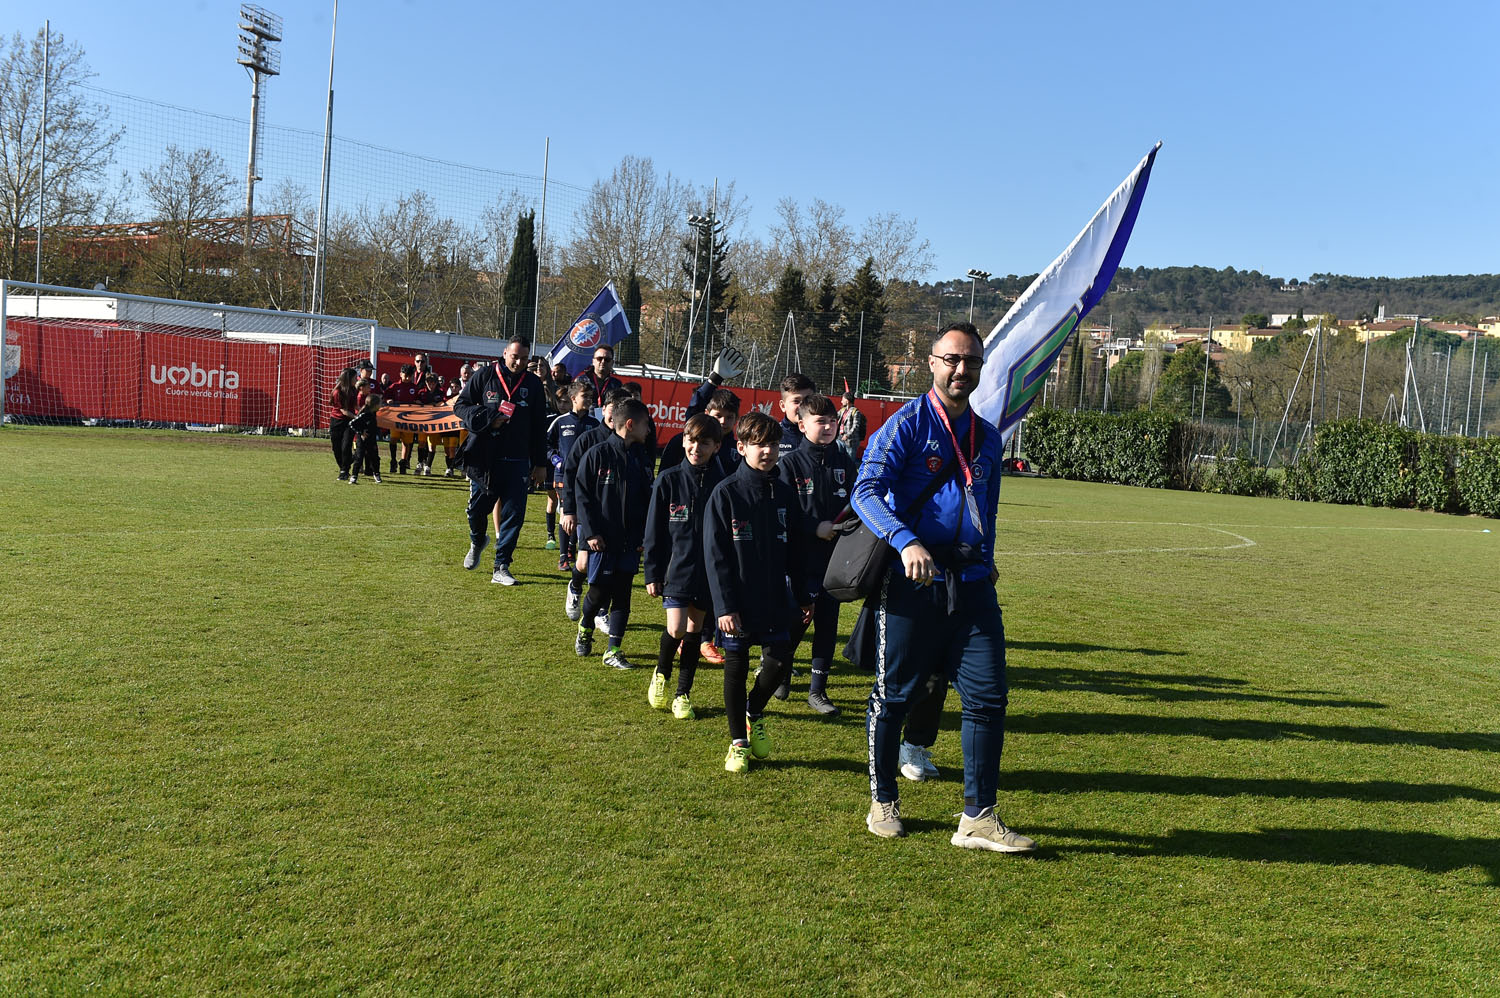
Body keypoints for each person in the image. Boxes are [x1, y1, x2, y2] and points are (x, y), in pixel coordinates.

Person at [850, 321, 1034, 853]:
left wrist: (987, 558)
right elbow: (866, 490)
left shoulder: (988, 437)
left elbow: (987, 507)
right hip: (913, 582)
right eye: (951, 359)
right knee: (894, 695)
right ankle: (883, 800)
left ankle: (978, 817)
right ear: (931, 363)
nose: (961, 369)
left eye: (971, 361)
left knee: (988, 696)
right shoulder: (906, 425)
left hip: (971, 584)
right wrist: (905, 541)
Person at [704, 410, 810, 774]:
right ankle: (738, 743)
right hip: (737, 602)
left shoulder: (784, 493)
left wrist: (804, 595)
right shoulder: (725, 493)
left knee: (778, 663)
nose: (768, 451)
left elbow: (797, 550)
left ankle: (754, 710)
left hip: (775, 599)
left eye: (774, 444)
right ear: (741, 447)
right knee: (736, 667)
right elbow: (716, 557)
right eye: (759, 444)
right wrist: (724, 607)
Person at [778, 393, 858, 715]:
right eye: (820, 421)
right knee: (798, 620)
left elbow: (857, 501)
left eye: (832, 421)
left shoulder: (844, 462)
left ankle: (818, 691)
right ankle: (781, 669)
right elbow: (784, 511)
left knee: (827, 623)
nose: (828, 427)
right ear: (802, 425)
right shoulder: (790, 464)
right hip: (801, 560)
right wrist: (815, 528)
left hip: (834, 561)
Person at [642, 413, 724, 720]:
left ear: (716, 446)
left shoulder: (722, 483)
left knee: (694, 632)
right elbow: (654, 532)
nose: (696, 448)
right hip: (675, 570)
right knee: (675, 628)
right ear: (683, 441)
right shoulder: (668, 479)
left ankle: (683, 694)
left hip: (706, 572)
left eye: (704, 443)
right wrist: (652, 572)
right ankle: (661, 674)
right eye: (691, 440)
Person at [454, 337, 549, 587]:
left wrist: (540, 463)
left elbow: (539, 426)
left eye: (524, 358)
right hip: (485, 458)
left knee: (513, 515)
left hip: (518, 459)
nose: (518, 362)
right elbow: (461, 406)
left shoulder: (533, 384)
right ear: (505, 353)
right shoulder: (485, 375)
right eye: (515, 356)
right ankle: (477, 540)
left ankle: (501, 566)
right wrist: (489, 417)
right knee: (476, 511)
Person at [573, 397, 654, 669]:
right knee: (598, 593)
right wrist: (591, 534)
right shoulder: (597, 455)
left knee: (623, 595)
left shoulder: (641, 459)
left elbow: (648, 500)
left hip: (630, 542)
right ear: (630, 424)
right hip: (602, 542)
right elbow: (582, 497)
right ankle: (586, 626)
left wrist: (644, 536)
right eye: (645, 424)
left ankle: (613, 650)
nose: (649, 430)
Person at [560, 388, 631, 622]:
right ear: (604, 410)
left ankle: (600, 612)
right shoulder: (588, 439)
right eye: (611, 409)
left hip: (615, 519)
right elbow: (571, 475)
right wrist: (569, 510)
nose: (614, 415)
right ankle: (575, 587)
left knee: (609, 566)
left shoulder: (631, 444)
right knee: (583, 563)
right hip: (588, 513)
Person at [546, 383, 599, 559]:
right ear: (574, 398)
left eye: (591, 397)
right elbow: (546, 444)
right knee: (566, 512)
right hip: (563, 476)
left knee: (581, 512)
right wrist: (555, 459)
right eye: (585, 396)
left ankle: (571, 547)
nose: (589, 400)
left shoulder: (595, 423)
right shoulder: (560, 421)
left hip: (587, 478)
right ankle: (563, 556)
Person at [383, 364, 423, 473]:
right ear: (400, 374)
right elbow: (385, 396)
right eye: (406, 376)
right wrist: (388, 400)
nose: (407, 378)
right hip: (395, 419)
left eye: (410, 376)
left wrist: (418, 402)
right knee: (393, 439)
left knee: (406, 442)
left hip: (409, 419)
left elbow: (419, 399)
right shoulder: (395, 386)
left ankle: (403, 462)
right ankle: (393, 461)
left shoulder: (414, 388)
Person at [351, 366, 384, 484]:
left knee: (374, 457)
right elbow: (353, 423)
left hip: (371, 439)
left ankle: (376, 474)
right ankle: (353, 476)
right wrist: (361, 432)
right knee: (359, 457)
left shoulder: (372, 414)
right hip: (362, 439)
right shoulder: (365, 413)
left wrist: (378, 433)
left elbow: (374, 425)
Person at [776, 373, 816, 460]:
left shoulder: (824, 437)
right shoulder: (771, 436)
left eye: (807, 400)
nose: (802, 406)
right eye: (796, 401)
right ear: (783, 406)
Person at [328, 367, 358, 482]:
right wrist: (357, 417)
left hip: (349, 422)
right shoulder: (338, 392)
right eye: (355, 378)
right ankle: (345, 465)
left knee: (346, 446)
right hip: (337, 421)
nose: (356, 379)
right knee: (336, 448)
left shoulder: (353, 390)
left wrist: (363, 412)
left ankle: (344, 471)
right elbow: (344, 411)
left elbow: (355, 406)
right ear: (348, 378)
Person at [837, 391, 867, 461]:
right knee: (840, 460)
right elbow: (835, 416)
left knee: (849, 461)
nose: (841, 401)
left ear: (847, 401)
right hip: (840, 438)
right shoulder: (842, 410)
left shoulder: (855, 412)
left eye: (843, 399)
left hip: (851, 442)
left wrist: (847, 435)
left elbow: (855, 426)